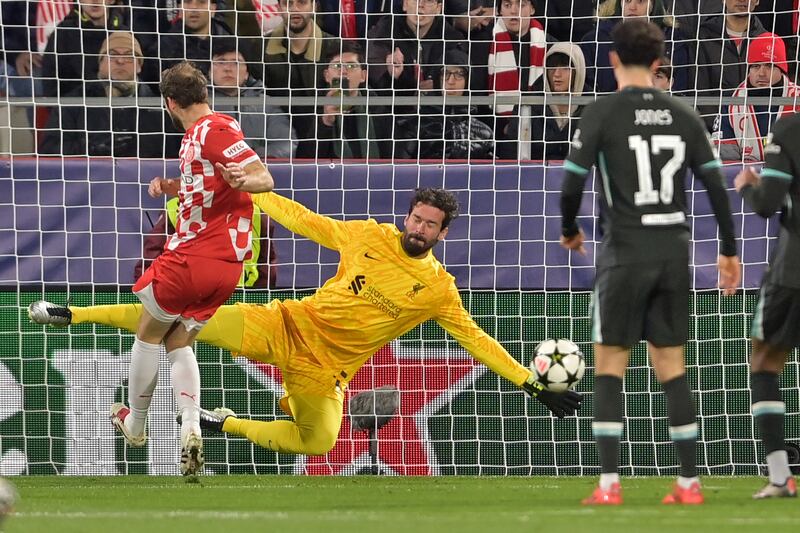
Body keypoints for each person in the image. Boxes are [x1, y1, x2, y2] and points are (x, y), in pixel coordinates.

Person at [28, 187, 582, 458]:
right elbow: (305, 219)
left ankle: (224, 423)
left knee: (318, 443)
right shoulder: (368, 234)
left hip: (326, 371)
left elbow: (477, 340)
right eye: (415, 217)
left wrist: (530, 383)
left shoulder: (438, 291)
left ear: (442, 234)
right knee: (178, 317)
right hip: (286, 324)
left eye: (429, 225)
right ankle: (72, 313)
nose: (417, 227)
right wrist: (251, 190)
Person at [560, 19, 741, 505]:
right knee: (672, 366)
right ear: (659, 61)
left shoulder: (601, 113)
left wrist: (569, 230)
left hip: (623, 252)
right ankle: (687, 483)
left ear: (613, 58)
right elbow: (717, 188)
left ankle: (609, 485)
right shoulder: (683, 114)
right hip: (672, 254)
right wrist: (728, 250)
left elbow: (572, 184)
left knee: (609, 365)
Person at [69, 61, 271, 480]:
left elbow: (262, 177)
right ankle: (192, 426)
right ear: (204, 91)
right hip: (228, 268)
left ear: (170, 102)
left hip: (193, 257)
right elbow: (211, 183)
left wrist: (243, 181)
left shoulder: (213, 131)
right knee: (180, 341)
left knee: (148, 333)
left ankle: (136, 423)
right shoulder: (201, 137)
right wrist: (170, 187)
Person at [733, 115, 800, 499]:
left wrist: (747, 186)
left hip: (793, 273)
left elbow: (767, 203)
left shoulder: (791, 129)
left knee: (764, 362)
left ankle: (780, 476)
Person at [39, 32, 171, 158]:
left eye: (129, 56)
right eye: (112, 55)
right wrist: (91, 148)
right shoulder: (74, 103)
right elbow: (49, 150)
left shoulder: (158, 108)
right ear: (100, 63)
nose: (120, 60)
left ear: (139, 66)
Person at [134, 196, 279, 288]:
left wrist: (259, 300)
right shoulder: (176, 207)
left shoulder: (256, 213)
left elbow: (266, 262)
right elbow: (151, 260)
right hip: (185, 298)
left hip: (240, 297)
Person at [712, 33, 800, 162]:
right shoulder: (731, 103)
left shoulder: (797, 98)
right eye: (755, 66)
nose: (761, 73)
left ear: (782, 70)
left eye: (769, 66)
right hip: (743, 178)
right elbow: (725, 159)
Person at [208, 37, 297, 159]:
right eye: (221, 61)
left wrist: (250, 159)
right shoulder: (197, 105)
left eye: (236, 62)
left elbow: (286, 144)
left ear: (247, 73)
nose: (227, 68)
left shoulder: (266, 105)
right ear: (209, 71)